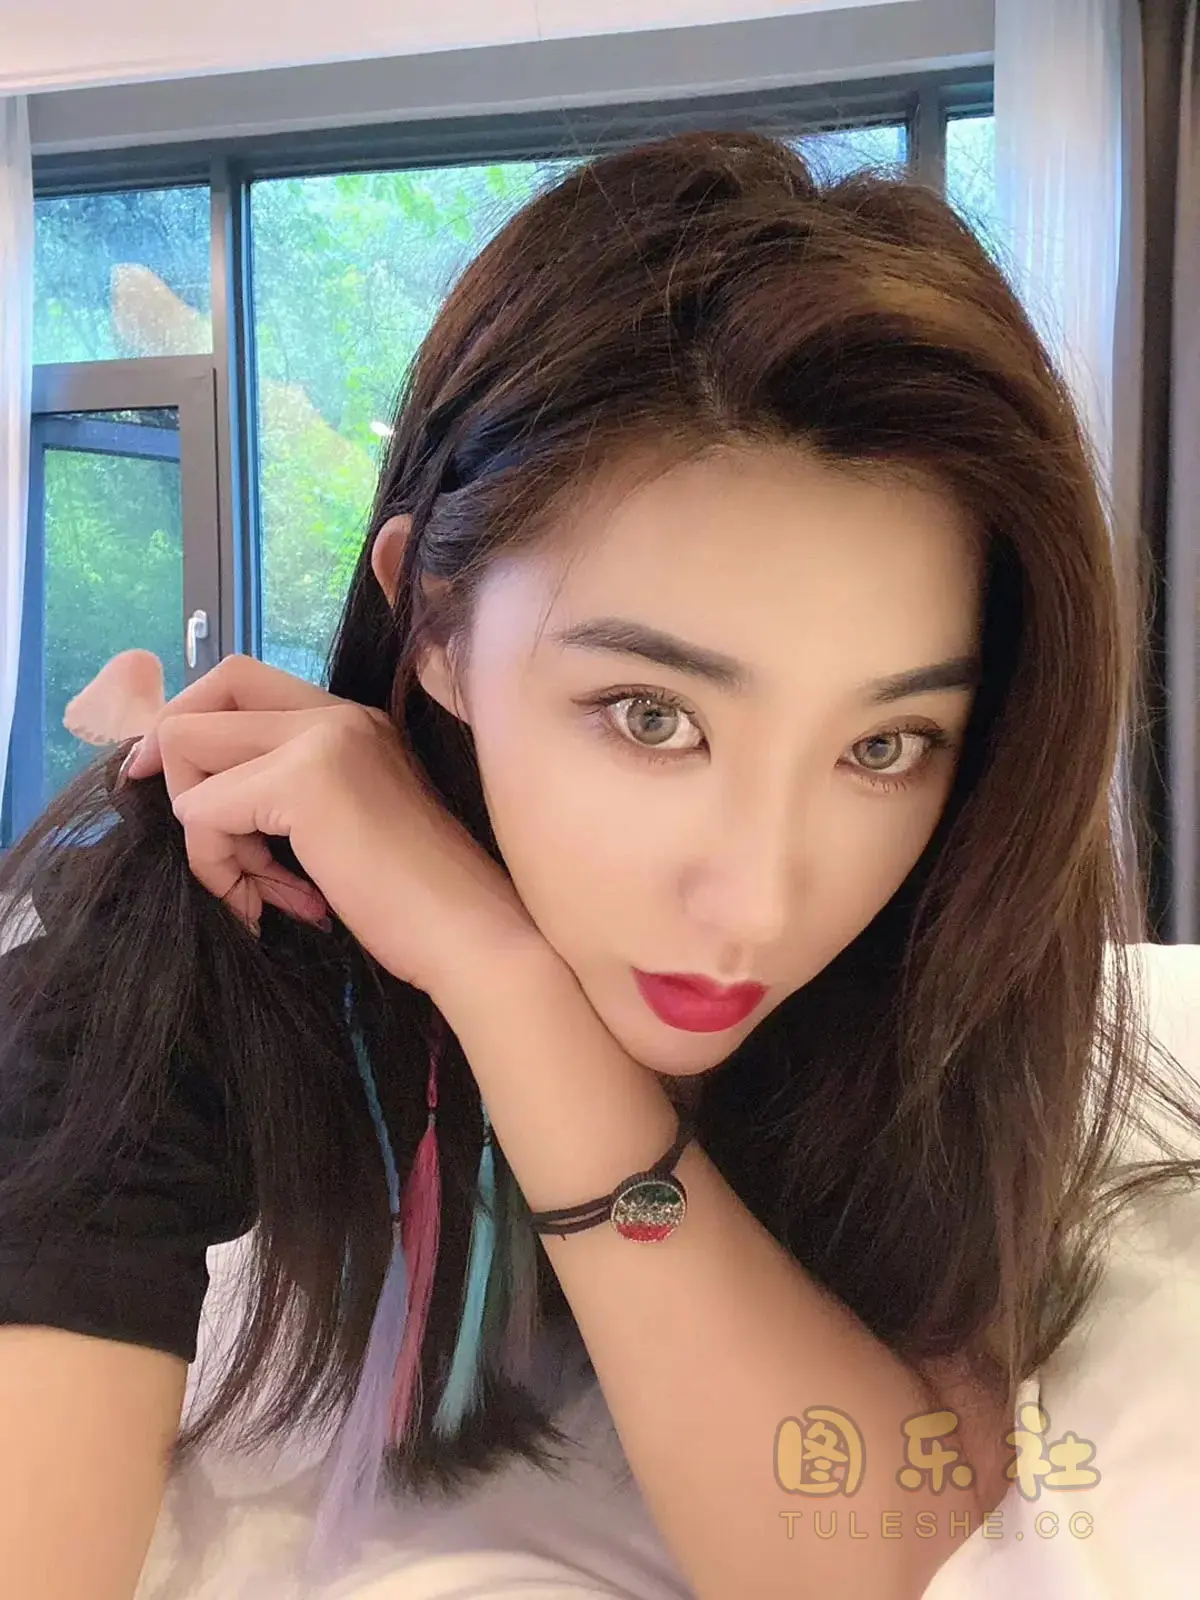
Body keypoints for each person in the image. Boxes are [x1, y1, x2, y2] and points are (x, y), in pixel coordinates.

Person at [1, 129, 1196, 1600]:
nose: (760, 900)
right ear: (436, 620)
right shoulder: (201, 926)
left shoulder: (947, 947)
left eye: (884, 745)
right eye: (651, 716)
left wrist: (506, 983)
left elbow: (866, 1542)